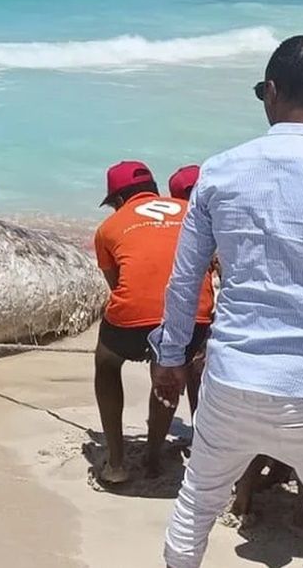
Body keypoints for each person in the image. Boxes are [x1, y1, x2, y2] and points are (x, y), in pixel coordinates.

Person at [151, 35, 303, 568]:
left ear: (272, 93)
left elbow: (185, 278)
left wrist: (168, 359)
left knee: (196, 508)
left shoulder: (220, 172)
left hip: (231, 380)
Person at [93, 161, 214, 484]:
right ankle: (153, 456)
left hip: (135, 320)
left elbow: (119, 285)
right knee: (172, 363)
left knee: (106, 362)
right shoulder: (191, 211)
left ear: (117, 200)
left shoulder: (109, 227)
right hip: (195, 319)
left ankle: (116, 463)